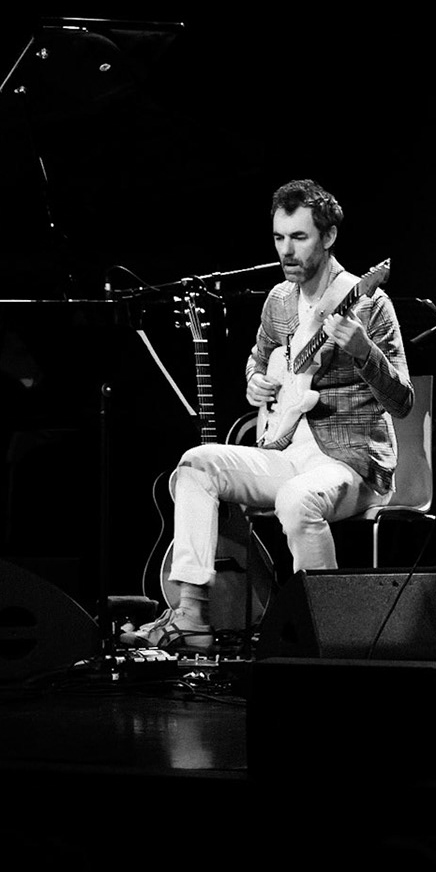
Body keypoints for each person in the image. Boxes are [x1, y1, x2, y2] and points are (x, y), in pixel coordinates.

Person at [121, 178, 414, 650]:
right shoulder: (279, 301)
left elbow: (402, 401)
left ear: (329, 236)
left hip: (352, 462)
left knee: (298, 499)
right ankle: (192, 614)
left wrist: (364, 352)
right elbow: (259, 360)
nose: (287, 251)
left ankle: (327, 637)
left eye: (299, 238)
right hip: (286, 451)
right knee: (196, 463)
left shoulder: (370, 301)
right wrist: (255, 380)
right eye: (279, 238)